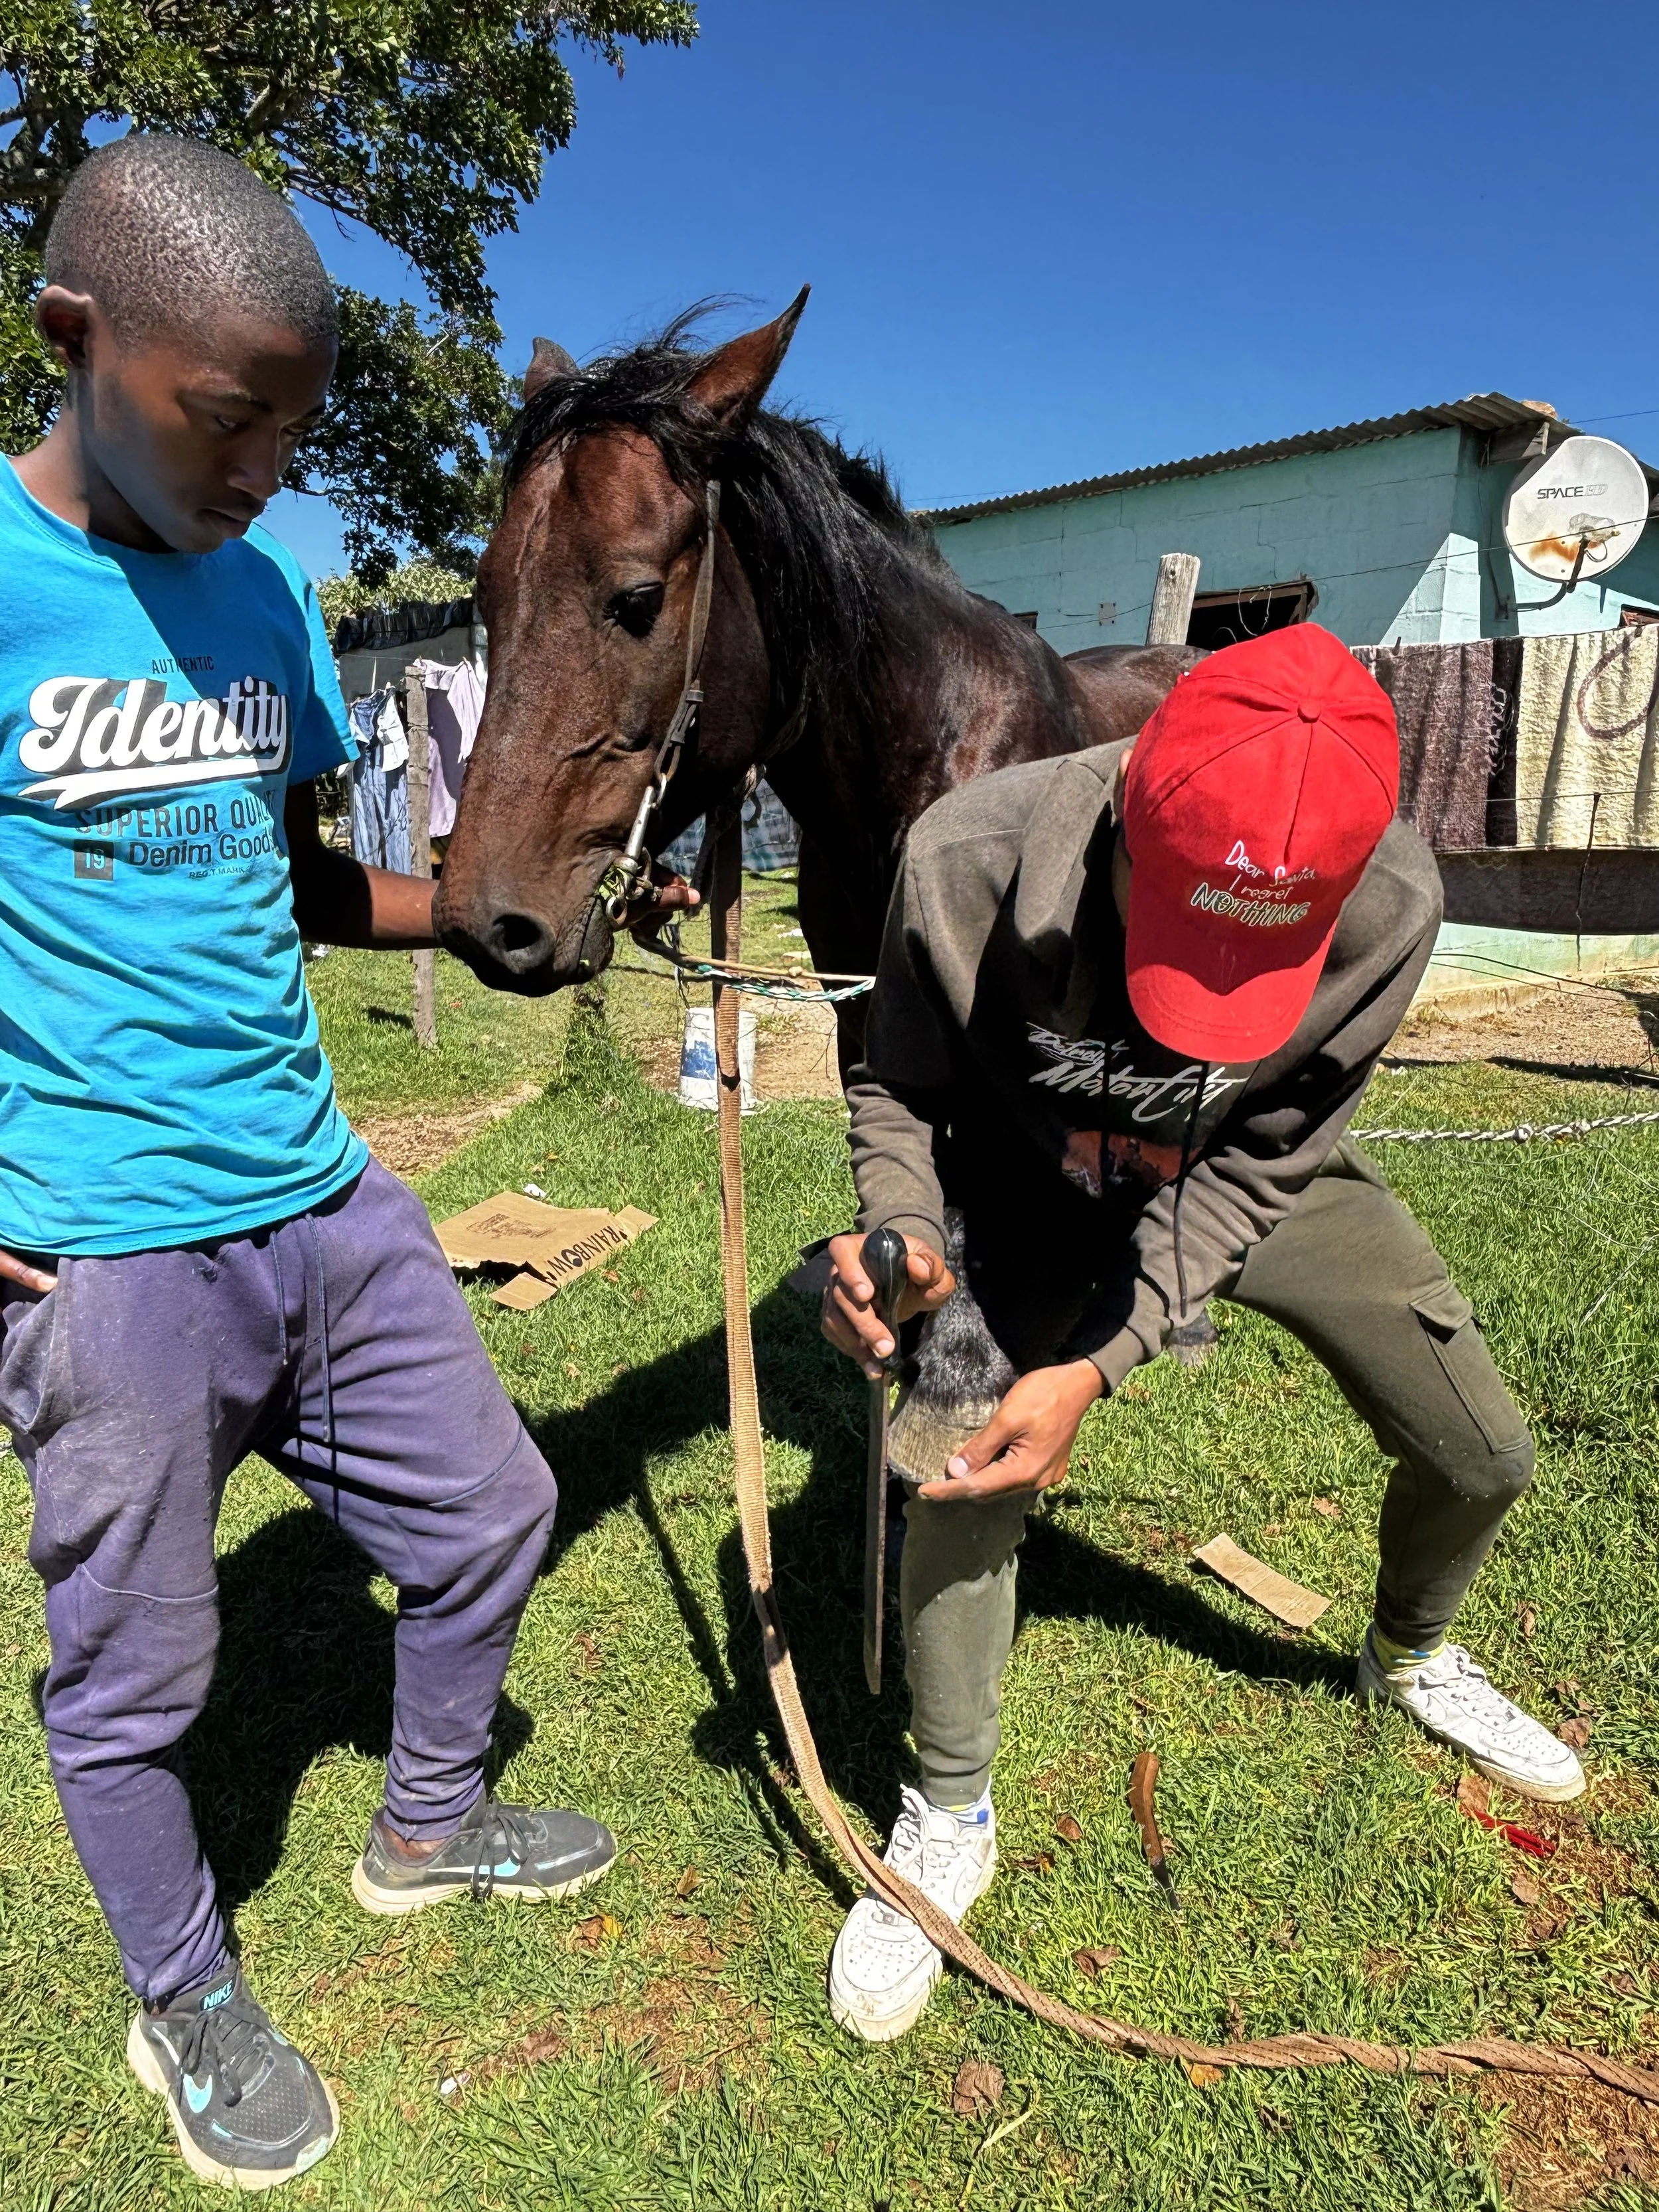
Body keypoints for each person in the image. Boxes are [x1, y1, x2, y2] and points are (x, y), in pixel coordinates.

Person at [1, 135, 632, 2191]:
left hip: (320, 1191)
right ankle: (180, 1983)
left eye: (298, 425)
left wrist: (466, 911)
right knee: (139, 1675)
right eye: (232, 416)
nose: (275, 463)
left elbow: (285, 880)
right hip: (105, 1251)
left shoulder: (266, 591)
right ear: (77, 340)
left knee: (492, 1514)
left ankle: (428, 1824)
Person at [820, 621, 1581, 2045]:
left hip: (1229, 1174)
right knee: (958, 1456)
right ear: (1122, 804)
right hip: (1018, 1176)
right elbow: (896, 1097)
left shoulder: (1393, 899)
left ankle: (1406, 1653)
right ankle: (945, 1802)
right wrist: (907, 1234)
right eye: (1180, 932)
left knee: (1478, 1451)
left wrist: (1101, 1364)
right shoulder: (961, 857)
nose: (1206, 996)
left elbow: (1272, 1156)